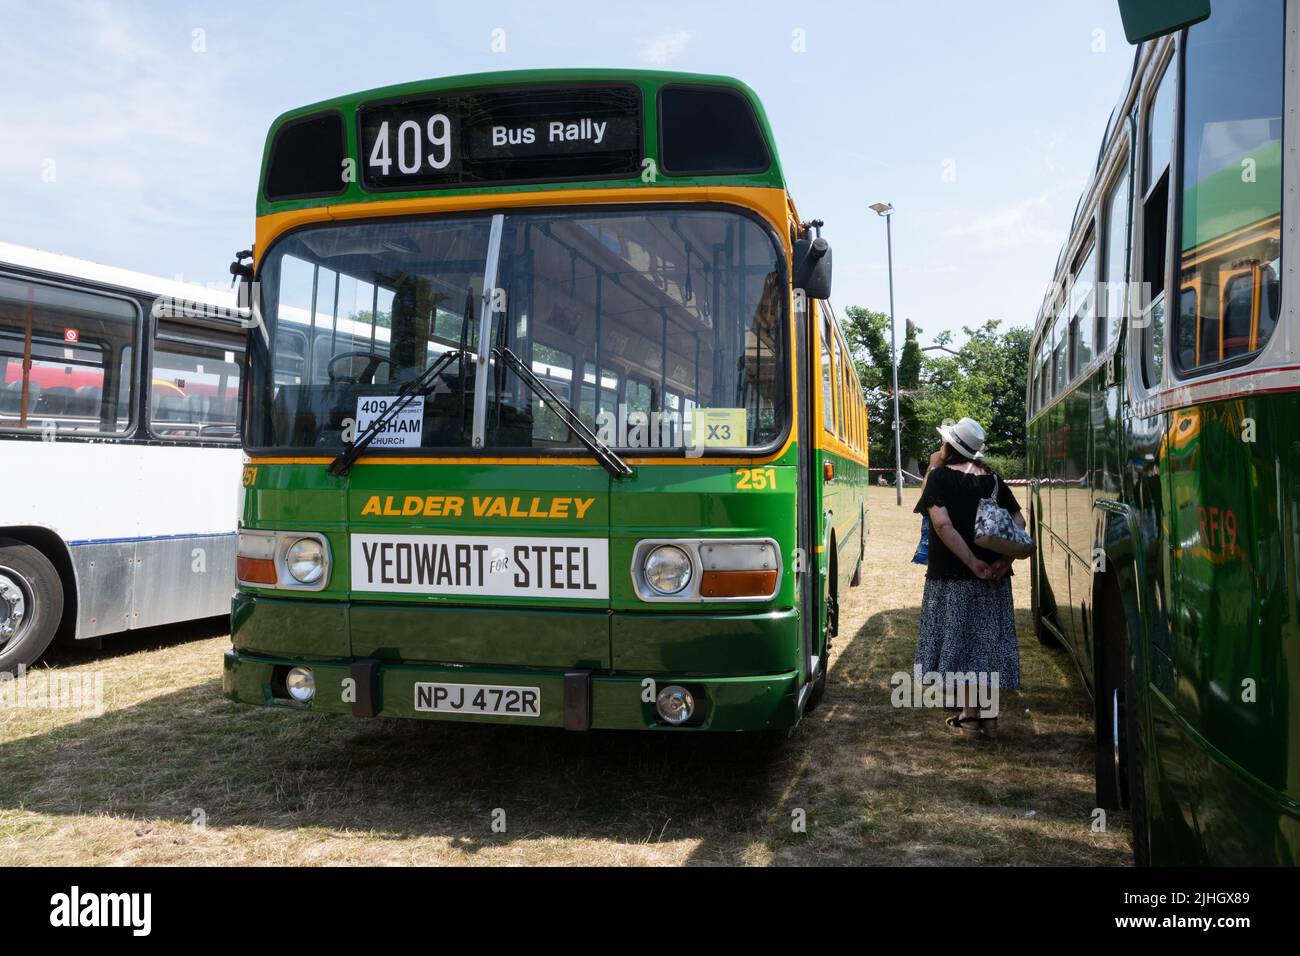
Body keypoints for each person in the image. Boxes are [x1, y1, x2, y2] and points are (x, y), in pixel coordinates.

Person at [912, 417, 1026, 737]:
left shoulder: (939, 478)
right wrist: (1003, 561)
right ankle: (989, 717)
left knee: (961, 646)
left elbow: (941, 524)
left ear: (949, 446)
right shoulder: (992, 479)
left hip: (953, 576)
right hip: (994, 579)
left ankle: (969, 717)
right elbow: (1019, 521)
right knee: (986, 646)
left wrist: (971, 562)